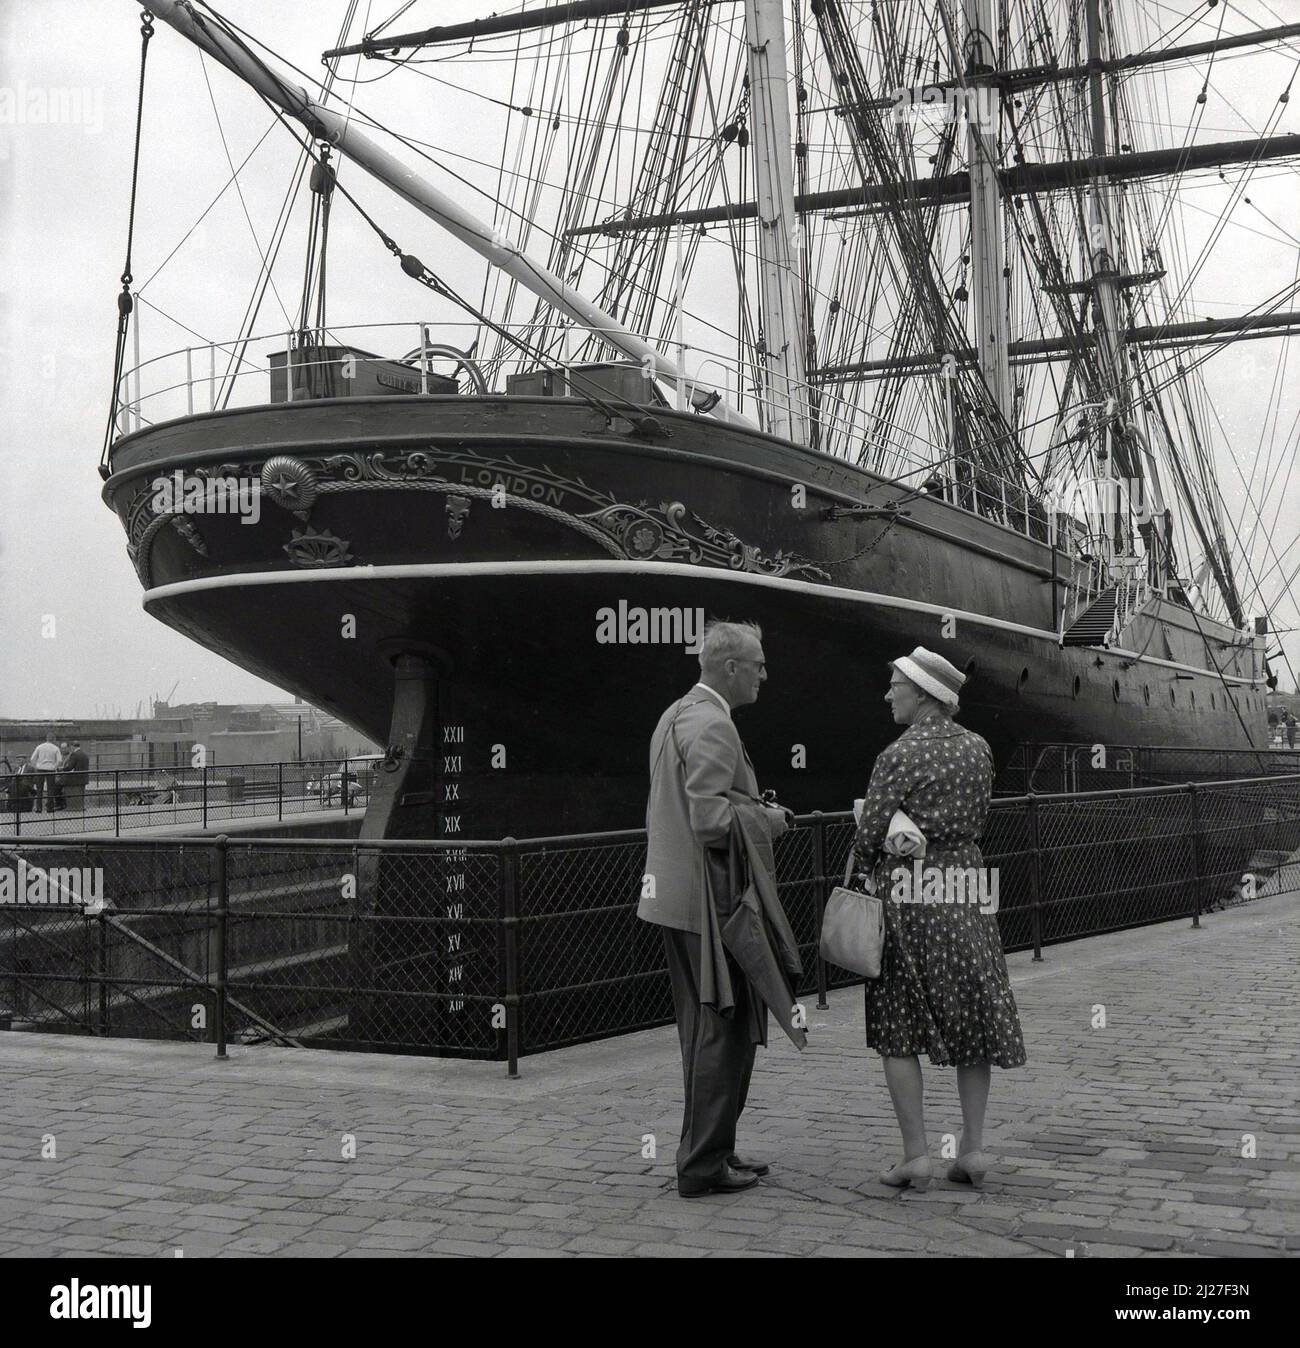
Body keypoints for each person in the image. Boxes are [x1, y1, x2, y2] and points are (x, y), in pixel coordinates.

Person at [849, 647, 1026, 1192]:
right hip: (968, 888)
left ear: (922, 693)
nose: (888, 694)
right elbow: (981, 817)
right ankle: (972, 1149)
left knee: (899, 1023)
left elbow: (870, 833)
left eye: (895, 686)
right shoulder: (979, 748)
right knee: (974, 1010)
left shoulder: (896, 756)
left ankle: (916, 1156)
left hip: (912, 894)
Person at [640, 619, 791, 1198]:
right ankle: (703, 1165)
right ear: (730, 667)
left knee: (705, 1031)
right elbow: (708, 820)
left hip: (673, 899)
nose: (763, 674)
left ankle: (714, 1149)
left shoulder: (674, 714)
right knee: (721, 1032)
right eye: (757, 664)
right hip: (709, 904)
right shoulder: (714, 726)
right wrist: (767, 820)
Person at [28, 731, 61, 813]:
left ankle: (39, 808)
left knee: (39, 789)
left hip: (40, 769)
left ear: (46, 738)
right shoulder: (55, 748)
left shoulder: (39, 747)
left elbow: (32, 759)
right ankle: (50, 808)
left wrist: (36, 766)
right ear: (54, 739)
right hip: (51, 769)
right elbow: (59, 760)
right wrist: (54, 766)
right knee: (50, 789)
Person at [62, 742, 90, 815]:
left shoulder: (74, 754)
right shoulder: (85, 754)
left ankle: (64, 805)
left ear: (72, 746)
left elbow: (70, 767)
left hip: (76, 779)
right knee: (81, 792)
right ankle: (80, 806)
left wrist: (62, 769)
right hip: (84, 778)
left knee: (59, 784)